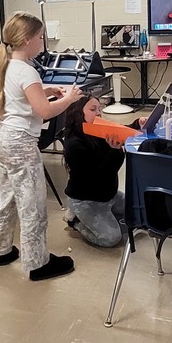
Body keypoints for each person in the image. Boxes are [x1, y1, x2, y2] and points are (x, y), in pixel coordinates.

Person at [0, 11, 82, 281]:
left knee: (6, 197)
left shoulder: (8, 65)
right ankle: (38, 264)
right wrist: (69, 98)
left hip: (4, 139)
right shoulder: (27, 70)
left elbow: (20, 96)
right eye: (40, 37)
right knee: (32, 204)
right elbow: (45, 112)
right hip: (20, 145)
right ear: (27, 40)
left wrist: (45, 90)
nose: (42, 41)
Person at [63, 94, 126, 248]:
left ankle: (103, 213)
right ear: (78, 113)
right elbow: (99, 175)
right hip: (87, 199)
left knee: (137, 210)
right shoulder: (74, 144)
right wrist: (114, 151)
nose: (98, 113)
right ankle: (75, 220)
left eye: (99, 109)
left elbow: (119, 130)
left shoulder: (95, 131)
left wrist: (138, 124)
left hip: (108, 195)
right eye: (93, 109)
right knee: (111, 238)